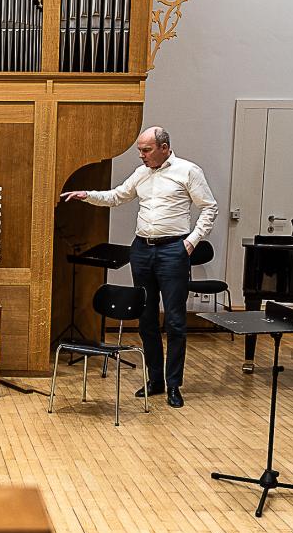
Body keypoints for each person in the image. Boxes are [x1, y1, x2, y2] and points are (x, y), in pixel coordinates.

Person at [61, 126, 217, 408]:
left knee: (175, 321)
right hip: (143, 249)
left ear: (164, 147)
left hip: (174, 249)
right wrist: (88, 194)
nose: (142, 156)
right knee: (146, 319)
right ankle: (155, 379)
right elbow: (117, 196)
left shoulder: (188, 171)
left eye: (146, 150)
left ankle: (174, 384)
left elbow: (210, 207)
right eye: (140, 151)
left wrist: (192, 242)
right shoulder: (142, 173)